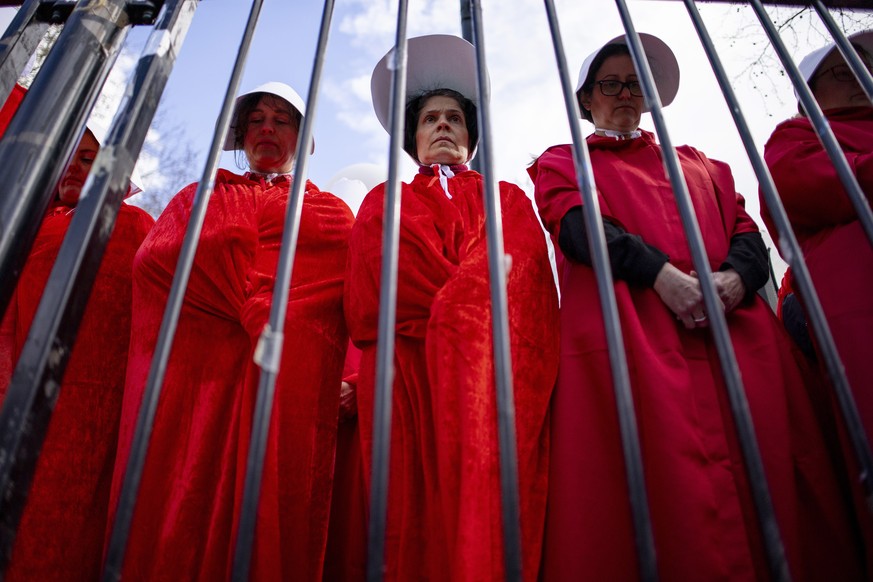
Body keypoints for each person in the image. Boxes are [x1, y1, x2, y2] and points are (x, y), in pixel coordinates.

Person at [529, 32, 864, 581]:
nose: (625, 94)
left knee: (774, 486)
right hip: (636, 343)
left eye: (637, 85)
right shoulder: (564, 160)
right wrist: (661, 276)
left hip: (737, 341)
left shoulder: (703, 164)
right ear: (586, 100)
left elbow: (747, 231)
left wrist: (735, 279)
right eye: (610, 84)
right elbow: (576, 225)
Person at [107, 82, 354, 581]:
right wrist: (253, 300)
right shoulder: (199, 197)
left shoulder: (330, 214)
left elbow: (346, 301)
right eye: (256, 119)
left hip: (287, 387)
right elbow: (155, 265)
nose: (267, 127)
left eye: (282, 120)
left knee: (268, 511)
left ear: (302, 139)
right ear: (241, 136)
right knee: (179, 506)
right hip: (196, 382)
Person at [344, 34, 559, 581]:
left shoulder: (506, 197)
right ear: (414, 137)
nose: (442, 125)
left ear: (469, 136)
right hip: (404, 378)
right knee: (406, 521)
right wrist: (470, 292)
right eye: (430, 119)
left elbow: (527, 280)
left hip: (492, 378)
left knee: (490, 509)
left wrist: (458, 305)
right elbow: (377, 289)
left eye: (455, 119)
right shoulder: (381, 201)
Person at [0, 107, 154, 580]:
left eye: (89, 158)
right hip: (15, 395)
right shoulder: (21, 224)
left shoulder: (133, 225)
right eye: (69, 157)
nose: (74, 167)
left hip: (95, 411)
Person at [762, 28, 873, 570]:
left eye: (865, 65)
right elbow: (808, 187)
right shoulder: (798, 138)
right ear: (809, 92)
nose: (858, 76)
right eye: (840, 70)